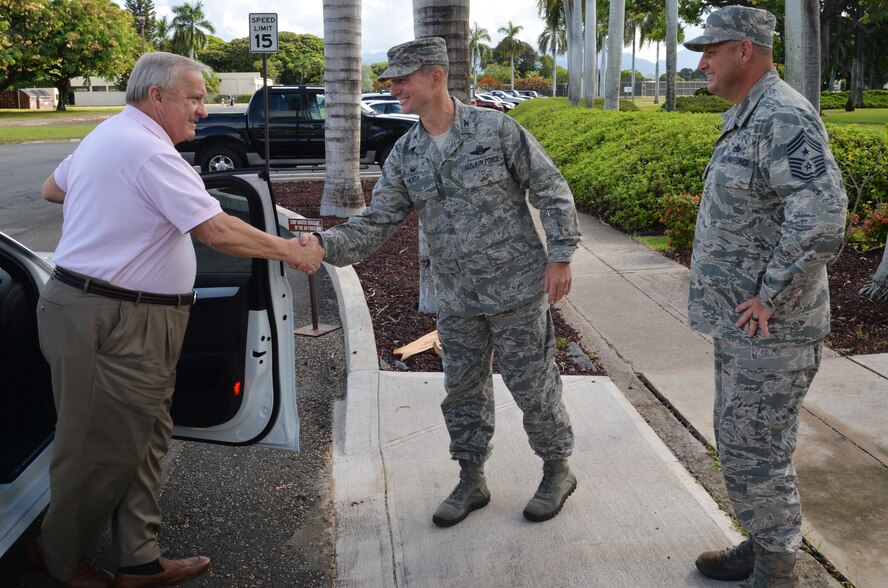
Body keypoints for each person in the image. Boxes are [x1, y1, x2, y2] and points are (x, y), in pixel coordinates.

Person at [29, 52, 318, 588]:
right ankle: (59, 562)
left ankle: (139, 560)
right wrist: (292, 250)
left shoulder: (111, 134)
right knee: (96, 451)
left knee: (143, 438)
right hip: (115, 318)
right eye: (195, 97)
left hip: (114, 313)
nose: (204, 110)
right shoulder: (148, 153)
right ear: (157, 97)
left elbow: (54, 188)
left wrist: (108, 209)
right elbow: (219, 233)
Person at [298, 37, 581, 527]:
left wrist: (560, 256)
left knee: (532, 385)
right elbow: (376, 224)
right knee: (462, 390)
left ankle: (557, 469)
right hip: (456, 296)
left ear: (436, 76)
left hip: (515, 289)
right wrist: (324, 246)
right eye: (390, 79)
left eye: (402, 78)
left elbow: (551, 188)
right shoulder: (406, 153)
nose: (393, 87)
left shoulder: (496, 130)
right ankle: (471, 479)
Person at [682, 7, 847, 587]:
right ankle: (761, 543)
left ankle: (777, 568)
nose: (702, 62)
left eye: (710, 50)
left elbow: (822, 218)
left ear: (743, 51)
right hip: (746, 327)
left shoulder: (782, 116)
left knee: (758, 448)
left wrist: (771, 295)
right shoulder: (750, 115)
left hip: (774, 329)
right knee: (740, 439)